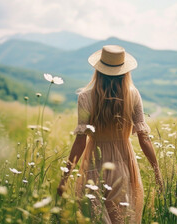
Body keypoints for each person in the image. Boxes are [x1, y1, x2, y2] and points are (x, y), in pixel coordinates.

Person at [57, 45, 163, 223]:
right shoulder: (133, 95)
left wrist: (64, 178)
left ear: (98, 70)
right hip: (124, 163)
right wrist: (157, 171)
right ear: (125, 72)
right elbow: (144, 139)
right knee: (122, 217)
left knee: (95, 217)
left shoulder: (85, 97)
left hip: (94, 162)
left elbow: (80, 142)